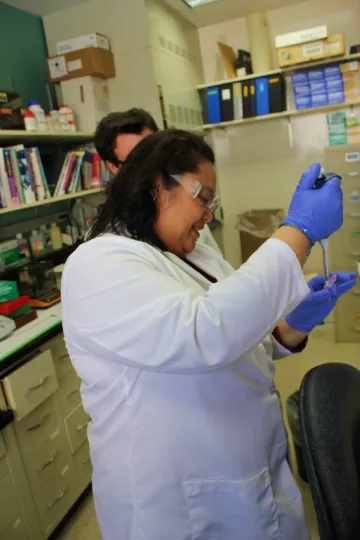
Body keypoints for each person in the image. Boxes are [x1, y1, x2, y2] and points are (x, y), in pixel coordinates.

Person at [62, 130, 356, 540]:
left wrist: (292, 325)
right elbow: (204, 335)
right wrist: (298, 231)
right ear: (155, 184)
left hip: (247, 473)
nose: (208, 215)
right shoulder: (97, 264)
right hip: (177, 505)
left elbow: (242, 338)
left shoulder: (194, 252)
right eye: (203, 197)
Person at [95, 108, 221, 253]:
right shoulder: (109, 245)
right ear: (113, 167)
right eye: (138, 159)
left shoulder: (187, 214)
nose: (154, 167)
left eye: (157, 153)